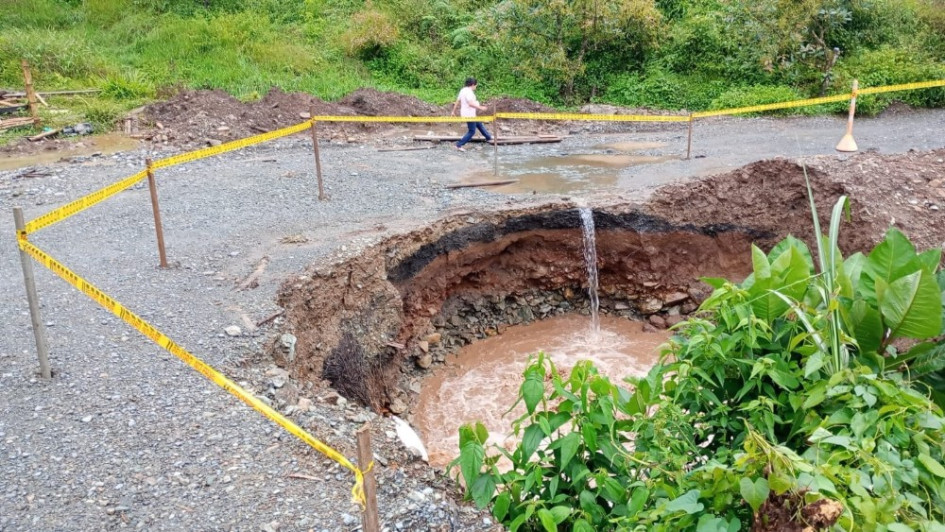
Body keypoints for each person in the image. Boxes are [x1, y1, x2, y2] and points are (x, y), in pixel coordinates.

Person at [450, 77, 492, 151]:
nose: (476, 87)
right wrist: (480, 107)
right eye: (476, 85)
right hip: (469, 114)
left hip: (467, 113)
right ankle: (459, 145)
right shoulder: (469, 92)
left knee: (479, 124)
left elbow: (457, 101)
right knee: (472, 131)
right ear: (472, 85)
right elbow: (470, 103)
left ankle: (488, 138)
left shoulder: (462, 90)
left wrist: (453, 111)